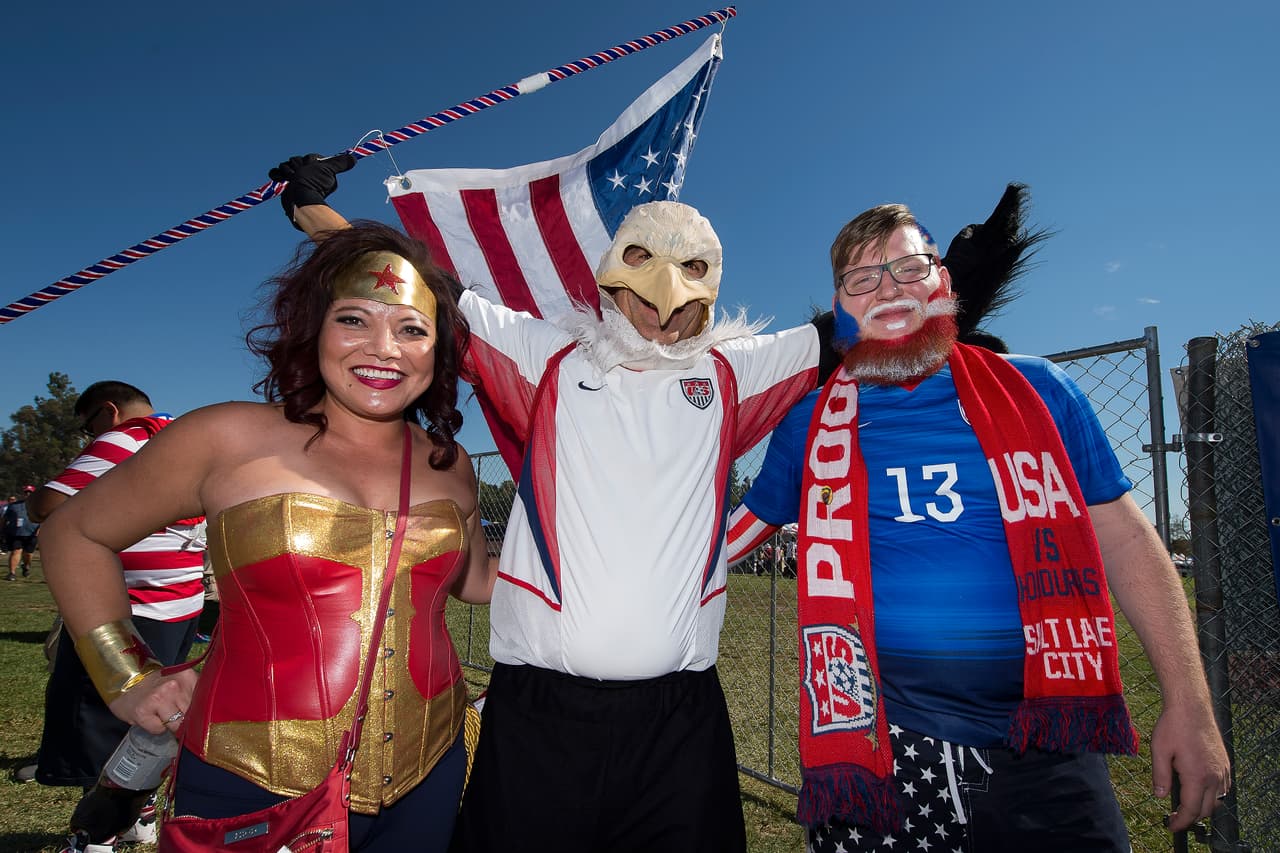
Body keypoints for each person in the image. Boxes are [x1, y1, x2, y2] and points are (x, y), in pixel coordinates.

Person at [273, 153, 820, 852]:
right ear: (612, 277)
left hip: (679, 720)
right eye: (645, 280)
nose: (661, 312)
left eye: (685, 288)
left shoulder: (731, 371)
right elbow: (415, 279)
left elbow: (861, 329)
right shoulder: (548, 355)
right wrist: (307, 208)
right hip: (541, 712)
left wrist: (954, 280)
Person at [726, 203, 1231, 850]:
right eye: (863, 279)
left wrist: (1189, 702)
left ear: (942, 282)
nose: (888, 287)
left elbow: (1128, 539)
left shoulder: (1040, 390)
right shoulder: (810, 425)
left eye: (908, 267)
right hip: (880, 748)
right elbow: (732, 537)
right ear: (840, 306)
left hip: (1045, 745)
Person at [39, 222, 495, 853]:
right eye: (354, 320)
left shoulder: (452, 463)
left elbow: (475, 581)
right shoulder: (224, 437)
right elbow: (72, 533)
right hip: (249, 780)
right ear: (314, 330)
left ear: (438, 349)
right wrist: (127, 677)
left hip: (432, 772)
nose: (385, 348)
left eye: (412, 329)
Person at [26, 381, 206, 851]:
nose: (90, 441)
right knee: (156, 720)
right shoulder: (185, 433)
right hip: (180, 605)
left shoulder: (127, 437)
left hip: (131, 609)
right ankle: (140, 816)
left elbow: (47, 505)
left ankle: (95, 837)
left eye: (90, 429)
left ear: (108, 412)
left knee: (101, 721)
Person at [4, 485, 39, 579]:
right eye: (26, 492)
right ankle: (12, 573)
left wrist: (40, 530)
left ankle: (26, 567)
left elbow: (44, 519)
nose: (27, 494)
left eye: (30, 492)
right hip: (17, 533)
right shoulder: (14, 506)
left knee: (28, 554)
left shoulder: (38, 505)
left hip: (32, 533)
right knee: (16, 551)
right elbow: (4, 518)